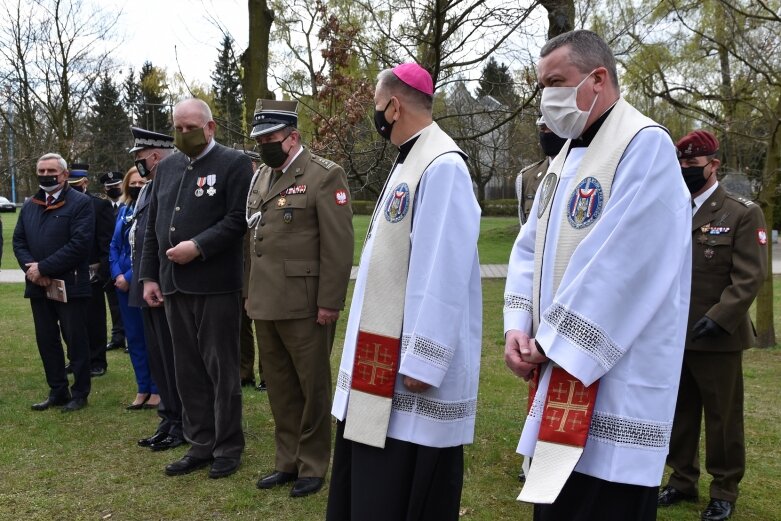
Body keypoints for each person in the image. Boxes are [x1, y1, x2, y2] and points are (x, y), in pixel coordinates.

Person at [503, 30, 692, 521]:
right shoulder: (564, 157)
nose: (547, 97)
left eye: (557, 81)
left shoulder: (644, 144)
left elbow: (626, 261)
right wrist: (518, 328)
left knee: (603, 501)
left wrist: (556, 339)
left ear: (598, 78)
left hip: (615, 377)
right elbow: (530, 246)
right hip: (555, 359)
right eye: (542, 85)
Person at [326, 63, 482, 520]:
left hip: (410, 370)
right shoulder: (408, 161)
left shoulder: (443, 165)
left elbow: (443, 267)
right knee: (373, 478)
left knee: (405, 482)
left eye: (377, 105)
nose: (375, 115)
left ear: (394, 106)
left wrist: (425, 357)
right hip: (381, 360)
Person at [246, 99, 354, 498]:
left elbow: (338, 246)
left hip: (307, 303)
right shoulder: (260, 177)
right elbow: (252, 240)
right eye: (260, 139)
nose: (264, 145)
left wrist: (330, 302)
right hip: (265, 302)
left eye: (270, 137)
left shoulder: (325, 175)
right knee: (279, 386)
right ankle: (286, 461)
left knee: (312, 388)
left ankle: (312, 464)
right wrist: (248, 292)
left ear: (293, 137)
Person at [658, 130, 767, 521]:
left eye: (692, 164)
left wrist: (719, 318)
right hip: (675, 333)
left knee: (722, 419)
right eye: (681, 164)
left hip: (718, 335)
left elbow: (749, 277)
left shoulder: (741, 212)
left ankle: (724, 490)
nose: (685, 170)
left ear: (714, 165)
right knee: (680, 413)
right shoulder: (672, 206)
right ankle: (681, 480)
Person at [139, 98, 251, 478]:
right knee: (187, 370)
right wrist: (149, 276)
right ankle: (200, 443)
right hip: (172, 286)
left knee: (221, 370)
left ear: (210, 127)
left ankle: (228, 446)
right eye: (178, 128)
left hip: (216, 284)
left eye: (191, 127)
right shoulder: (167, 167)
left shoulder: (233, 163)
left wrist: (198, 247)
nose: (183, 134)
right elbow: (153, 226)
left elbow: (238, 220)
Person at [13, 153, 95, 412]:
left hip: (69, 285)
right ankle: (57, 390)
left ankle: (80, 392)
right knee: (46, 340)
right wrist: (34, 270)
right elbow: (19, 242)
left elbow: (79, 244)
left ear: (63, 174)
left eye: (51, 171)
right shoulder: (30, 205)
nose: (46, 175)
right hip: (38, 285)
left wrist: (45, 267)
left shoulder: (80, 203)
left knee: (75, 340)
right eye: (41, 170)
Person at [129, 126, 185, 452]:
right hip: (148, 283)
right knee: (158, 357)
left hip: (167, 286)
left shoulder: (173, 185)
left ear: (153, 156)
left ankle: (181, 420)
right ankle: (168, 418)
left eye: (139, 158)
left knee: (173, 357)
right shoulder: (149, 188)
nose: (138, 164)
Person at [109, 166, 160, 410]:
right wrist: (117, 273)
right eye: (133, 182)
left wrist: (129, 275)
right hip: (122, 284)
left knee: (152, 338)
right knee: (135, 339)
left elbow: (146, 248)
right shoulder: (123, 209)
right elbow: (114, 245)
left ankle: (156, 389)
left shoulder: (152, 207)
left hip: (140, 281)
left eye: (141, 182)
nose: (137, 186)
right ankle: (142, 388)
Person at [68, 163, 115, 377]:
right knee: (70, 321)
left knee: (93, 319)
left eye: (75, 184)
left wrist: (103, 273)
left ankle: (97, 360)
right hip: (67, 271)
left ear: (85, 182)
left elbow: (106, 243)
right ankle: (77, 359)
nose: (72, 188)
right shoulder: (63, 204)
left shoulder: (99, 206)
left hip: (91, 271)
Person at [239, 148, 266, 392]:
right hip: (240, 265)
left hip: (262, 264)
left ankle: (267, 375)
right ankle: (243, 372)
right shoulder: (237, 189)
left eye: (251, 164)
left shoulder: (265, 185)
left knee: (265, 322)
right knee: (241, 324)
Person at [515, 116, 567, 225]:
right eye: (543, 128)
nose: (546, 133)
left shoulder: (586, 170)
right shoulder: (526, 178)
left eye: (551, 128)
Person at [101, 170, 126, 352]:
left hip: (126, 261)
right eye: (109, 187)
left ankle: (130, 339)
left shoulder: (128, 205)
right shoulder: (102, 207)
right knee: (113, 303)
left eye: (116, 186)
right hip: (109, 262)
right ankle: (117, 336)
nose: (113, 189)